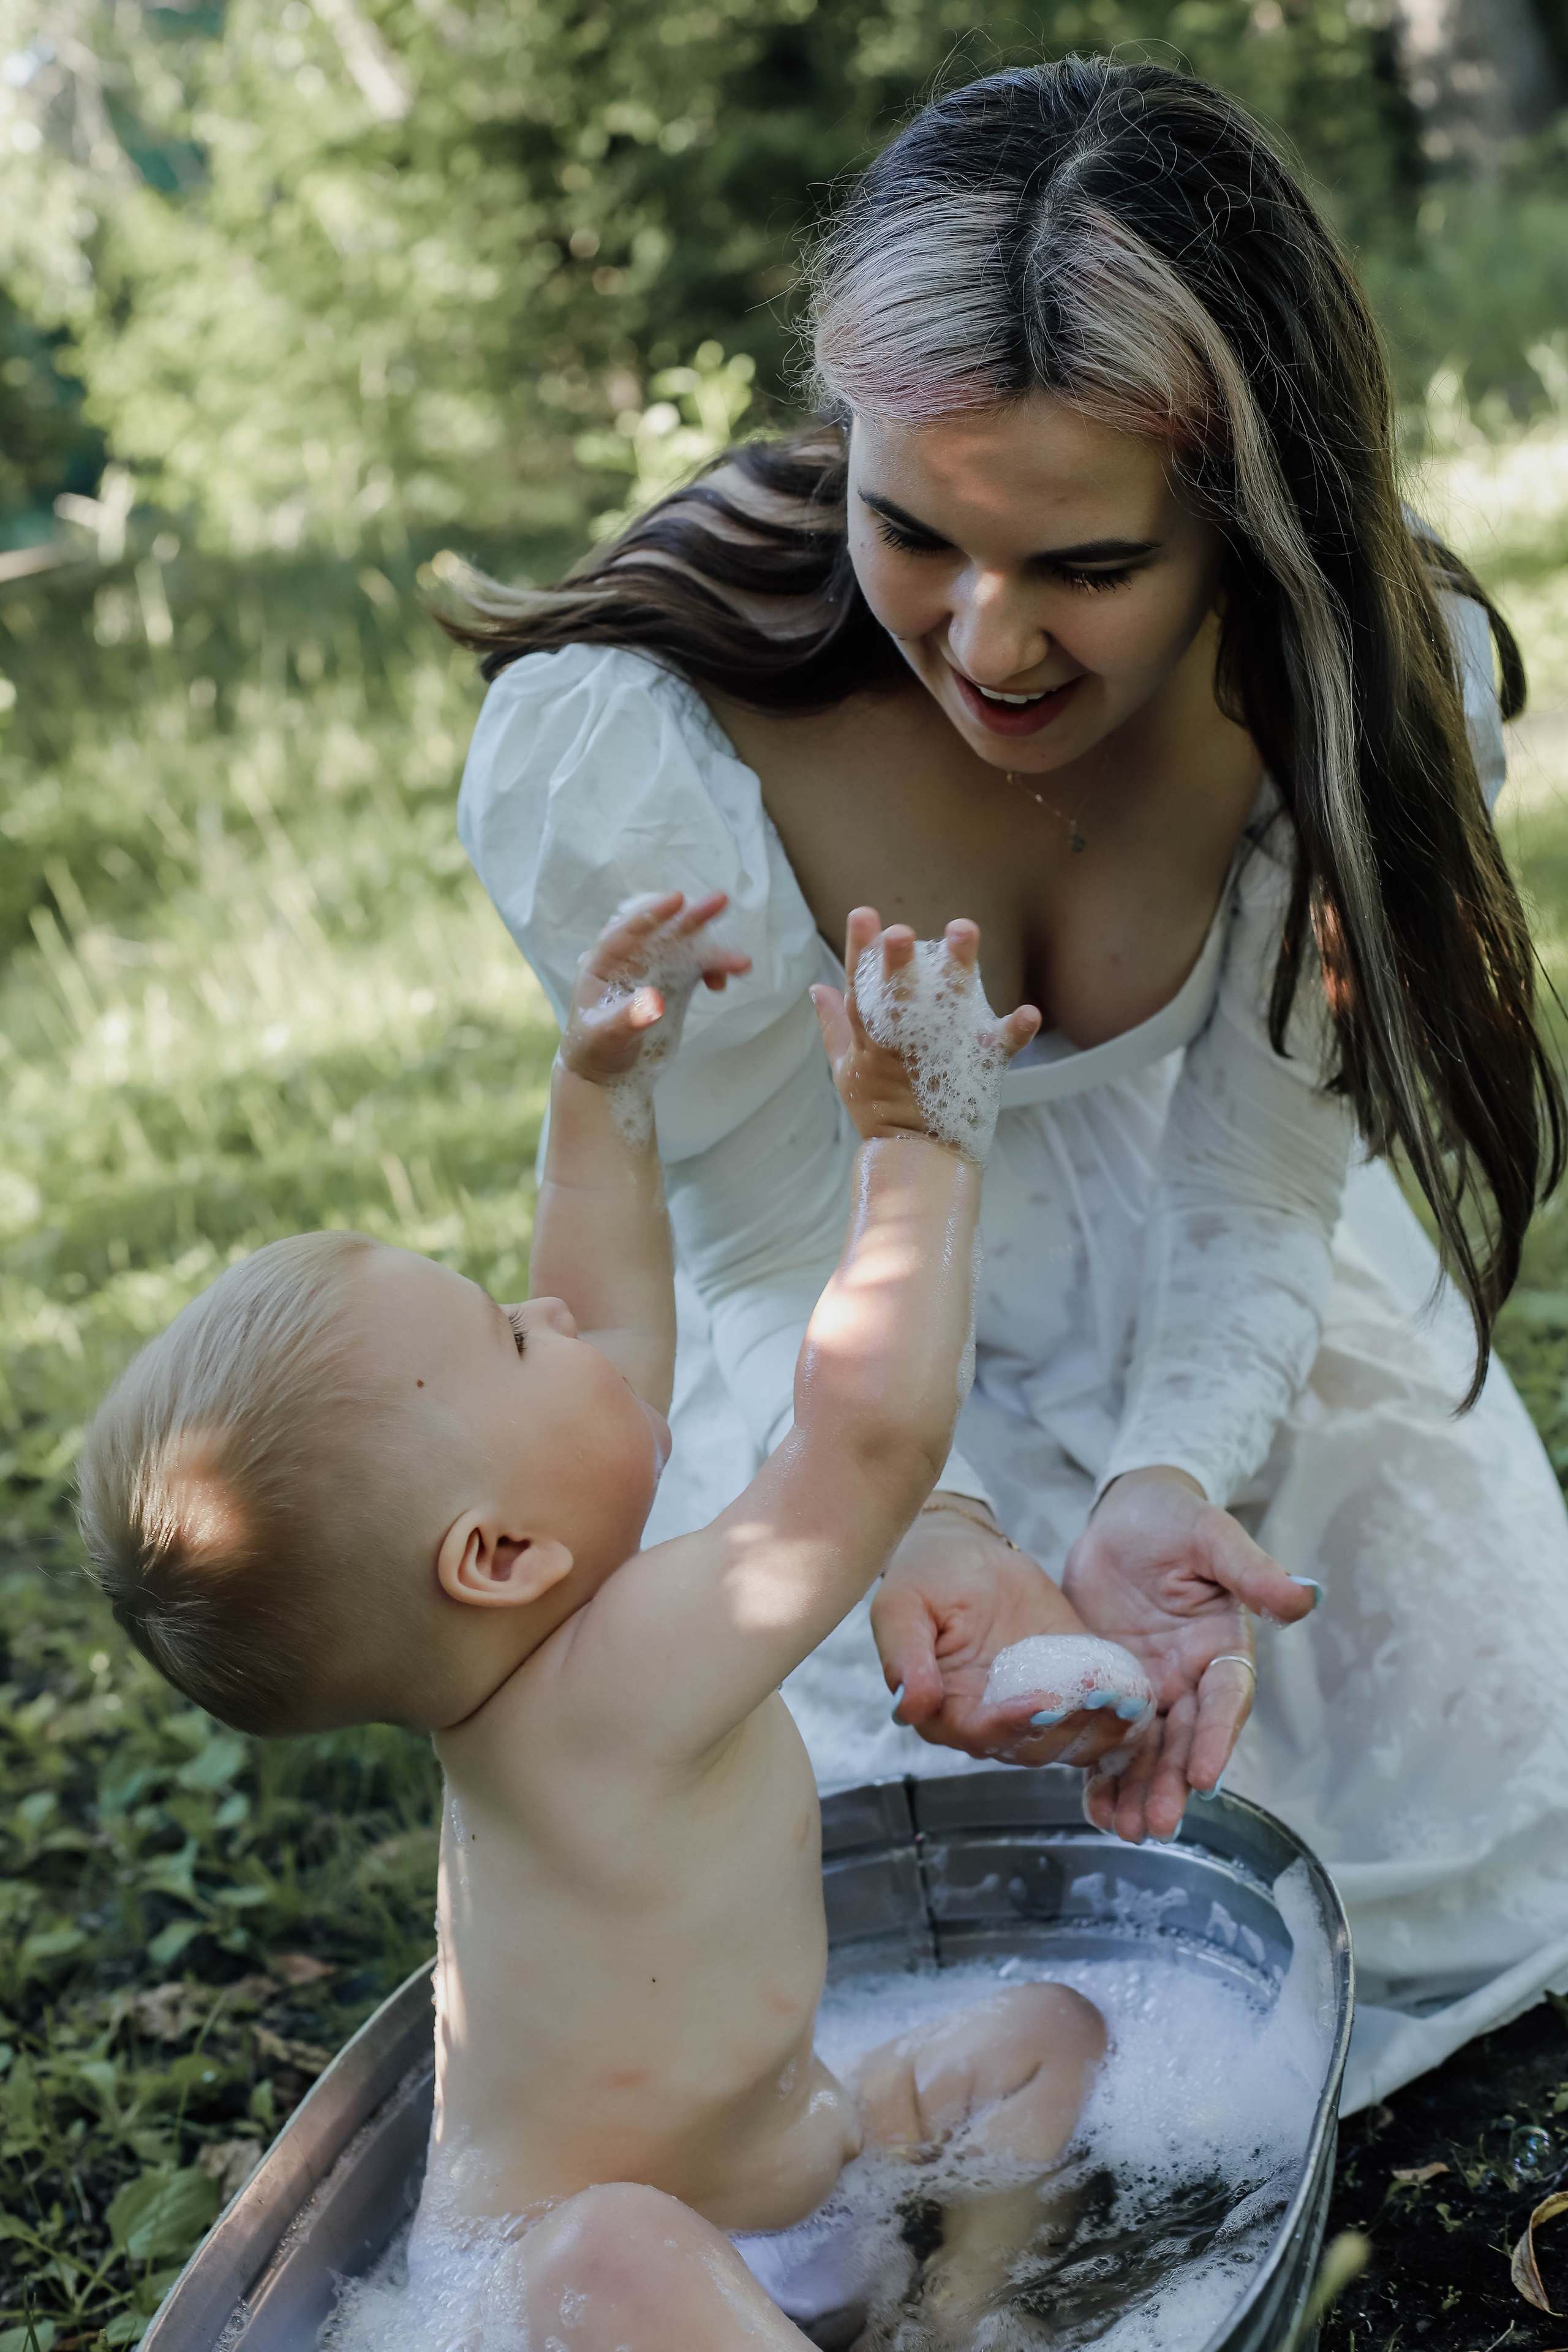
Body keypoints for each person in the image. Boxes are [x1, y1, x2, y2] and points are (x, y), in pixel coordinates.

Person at [448, 55, 1568, 2113]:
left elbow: (1252, 1197)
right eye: (913, 531)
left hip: (1215, 1303)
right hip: (840, 1347)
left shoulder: (1355, 687)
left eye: (1088, 567)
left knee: (1436, 1793)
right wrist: (919, 1522)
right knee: (889, 1911)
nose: (988, 642)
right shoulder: (636, 746)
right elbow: (777, 1235)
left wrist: (1169, 1481)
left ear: (1242, 510)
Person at [77, 891, 1112, 2351]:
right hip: (557, 2300)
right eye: (509, 1337)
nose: (552, 1318)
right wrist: (919, 1148)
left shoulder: (549, 1630)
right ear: (497, 1553)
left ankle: (957, 2322)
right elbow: (865, 1445)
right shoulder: (610, 1694)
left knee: (1043, 2039)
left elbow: (607, 1317)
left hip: (787, 2197)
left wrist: (600, 1093)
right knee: (611, 2250)